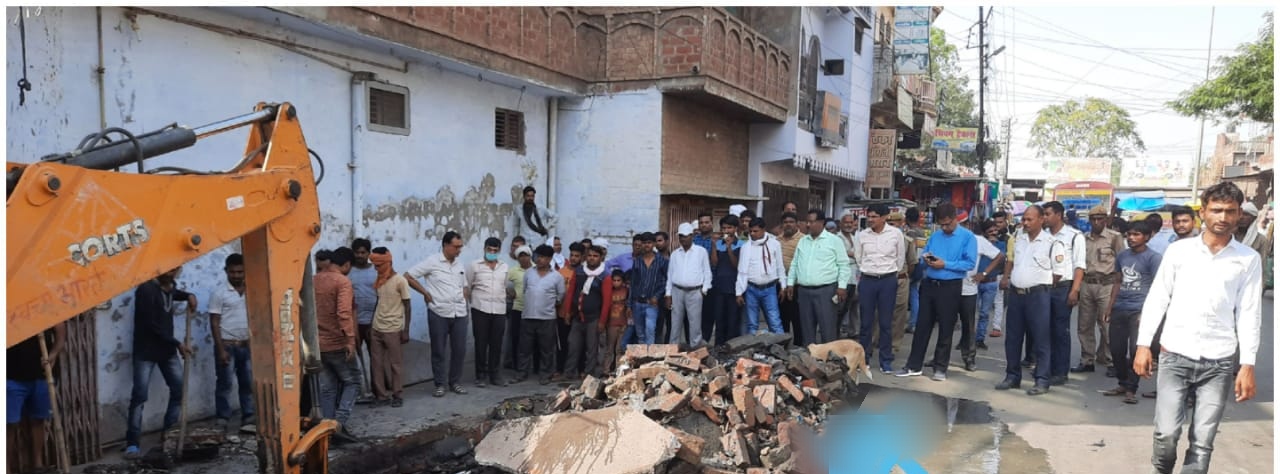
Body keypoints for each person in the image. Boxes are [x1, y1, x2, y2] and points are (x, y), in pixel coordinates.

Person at [1134, 182, 1261, 473]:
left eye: (1230, 211)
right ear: (1203, 212)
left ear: (1239, 214)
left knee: (1203, 442)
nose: (1223, 217)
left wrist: (1247, 364)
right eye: (1216, 210)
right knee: (1166, 434)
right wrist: (1143, 345)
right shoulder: (1179, 252)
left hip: (1219, 360)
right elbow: (1158, 298)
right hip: (1175, 354)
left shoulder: (1247, 259)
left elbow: (1249, 313)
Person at [898, 204, 976, 382]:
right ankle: (913, 365)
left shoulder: (967, 237)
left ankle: (940, 367)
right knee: (922, 326)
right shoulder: (935, 235)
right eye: (942, 225)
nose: (945, 228)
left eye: (948, 224)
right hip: (930, 283)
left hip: (950, 286)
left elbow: (970, 263)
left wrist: (945, 264)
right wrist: (926, 259)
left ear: (955, 219)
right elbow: (925, 252)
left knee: (946, 328)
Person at [125, 266, 196, 458]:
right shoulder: (146, 289)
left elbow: (175, 294)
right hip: (145, 352)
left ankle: (169, 434)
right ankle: (132, 443)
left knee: (179, 390)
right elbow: (151, 325)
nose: (169, 273)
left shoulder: (170, 287)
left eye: (174, 270)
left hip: (166, 351)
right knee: (139, 397)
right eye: (167, 270)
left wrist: (189, 295)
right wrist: (177, 343)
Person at [995, 206, 1064, 396]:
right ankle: (1012, 376)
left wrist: (1039, 285)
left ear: (1041, 220)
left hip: (1038, 295)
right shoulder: (1019, 239)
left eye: (1029, 219)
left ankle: (1042, 380)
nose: (1025, 223)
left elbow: (1058, 273)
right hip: (1016, 295)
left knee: (1041, 339)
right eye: (1024, 219)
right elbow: (1012, 262)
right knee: (1013, 338)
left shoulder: (1052, 243)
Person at [1099, 220, 1160, 405]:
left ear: (1147, 237)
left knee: (1135, 350)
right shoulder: (1122, 256)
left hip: (1139, 310)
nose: (1131, 238)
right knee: (1116, 350)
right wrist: (1110, 307)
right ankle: (1122, 383)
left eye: (1136, 234)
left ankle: (1131, 389)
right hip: (1120, 307)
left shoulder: (1153, 258)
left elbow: (1158, 287)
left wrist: (1147, 312)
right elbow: (1118, 281)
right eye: (1129, 235)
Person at [405, 232, 470, 397]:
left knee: (459, 350)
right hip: (439, 312)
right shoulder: (432, 262)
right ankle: (440, 384)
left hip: (459, 313)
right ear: (445, 245)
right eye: (456, 247)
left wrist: (465, 300)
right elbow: (408, 276)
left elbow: (464, 285)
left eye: (460, 247)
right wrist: (425, 293)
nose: (459, 250)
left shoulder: (459, 264)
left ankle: (455, 382)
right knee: (439, 350)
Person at [785, 209, 852, 346]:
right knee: (807, 329)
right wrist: (790, 283)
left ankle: (829, 358)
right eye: (807, 222)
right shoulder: (803, 241)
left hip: (826, 291)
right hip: (804, 291)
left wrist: (842, 287)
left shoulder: (834, 241)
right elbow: (795, 263)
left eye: (812, 222)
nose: (808, 225)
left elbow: (844, 265)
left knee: (827, 329)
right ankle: (810, 357)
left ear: (821, 222)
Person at [313, 248, 360, 441]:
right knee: (353, 382)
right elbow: (344, 313)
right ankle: (338, 425)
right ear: (347, 264)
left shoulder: (313, 280)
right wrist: (350, 340)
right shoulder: (342, 282)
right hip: (337, 343)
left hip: (317, 344)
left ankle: (326, 431)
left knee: (328, 387)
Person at [853, 204, 905, 374]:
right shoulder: (862, 235)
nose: (870, 220)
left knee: (885, 323)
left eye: (874, 216)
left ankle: (886, 360)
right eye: (869, 216)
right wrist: (868, 271)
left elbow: (900, 258)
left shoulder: (895, 234)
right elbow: (859, 257)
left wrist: (890, 273)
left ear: (884, 217)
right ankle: (864, 359)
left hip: (887, 280)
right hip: (868, 280)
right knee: (866, 323)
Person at [8, 323, 66, 470]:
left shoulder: (44, 309)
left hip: (41, 374)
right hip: (10, 375)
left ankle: (38, 464)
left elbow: (60, 335)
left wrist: (53, 354)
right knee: (9, 424)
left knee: (38, 420)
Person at [208, 254, 256, 434]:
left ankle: (248, 416)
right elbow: (214, 322)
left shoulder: (252, 290)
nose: (236, 275)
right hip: (227, 346)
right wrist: (220, 349)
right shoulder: (219, 293)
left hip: (247, 345)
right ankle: (222, 418)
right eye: (232, 272)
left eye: (240, 272)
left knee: (247, 382)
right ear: (226, 271)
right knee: (225, 383)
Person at [1077, 205, 1126, 377]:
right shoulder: (1083, 238)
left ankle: (1111, 360)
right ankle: (1087, 359)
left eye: (1100, 219)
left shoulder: (1114, 238)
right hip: (1087, 283)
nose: (1096, 222)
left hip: (1107, 284)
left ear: (1105, 220)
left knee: (1106, 324)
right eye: (1093, 219)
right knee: (1084, 324)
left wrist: (1119, 286)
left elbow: (1122, 262)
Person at [1044, 201, 1086, 386]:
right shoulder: (1043, 235)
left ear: (1059, 215)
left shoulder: (1074, 236)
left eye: (1047, 214)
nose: (1044, 218)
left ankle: (1060, 371)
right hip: (1044, 286)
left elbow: (1079, 265)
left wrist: (1074, 290)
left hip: (1063, 287)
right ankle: (1046, 367)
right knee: (1044, 329)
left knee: (1060, 330)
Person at [516, 245, 566, 385]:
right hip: (528, 316)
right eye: (538, 256)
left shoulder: (557, 277)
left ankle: (545, 374)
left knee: (547, 349)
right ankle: (522, 373)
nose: (539, 259)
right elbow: (525, 290)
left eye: (543, 257)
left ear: (549, 259)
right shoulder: (529, 273)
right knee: (524, 348)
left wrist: (548, 304)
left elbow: (561, 295)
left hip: (547, 318)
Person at [369, 247, 411, 405]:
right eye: (375, 265)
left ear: (389, 263)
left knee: (395, 364)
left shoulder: (400, 281)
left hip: (393, 328)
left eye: (379, 265)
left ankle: (397, 395)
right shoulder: (379, 280)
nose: (376, 268)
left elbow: (407, 306)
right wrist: (372, 324)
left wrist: (405, 330)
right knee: (376, 364)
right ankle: (381, 396)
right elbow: (379, 302)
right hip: (377, 327)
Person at [960, 219, 1003, 372]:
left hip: (969, 288)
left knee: (970, 323)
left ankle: (969, 357)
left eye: (963, 224)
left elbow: (999, 256)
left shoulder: (977, 240)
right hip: (950, 287)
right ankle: (939, 357)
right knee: (947, 323)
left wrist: (984, 273)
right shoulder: (947, 238)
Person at [561, 244, 610, 379]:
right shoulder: (579, 272)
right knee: (573, 345)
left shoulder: (604, 276)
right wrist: (567, 311)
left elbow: (607, 301)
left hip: (594, 318)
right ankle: (569, 372)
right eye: (589, 255)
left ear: (601, 258)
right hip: (577, 317)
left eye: (595, 256)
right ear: (585, 257)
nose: (592, 258)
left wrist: (602, 321)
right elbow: (571, 292)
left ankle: (588, 374)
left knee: (591, 348)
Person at [468, 238, 509, 388]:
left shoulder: (504, 267)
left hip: (499, 310)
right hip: (480, 309)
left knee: (496, 343)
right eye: (489, 250)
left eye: (495, 250)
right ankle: (480, 375)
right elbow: (468, 286)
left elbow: (504, 286)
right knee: (481, 343)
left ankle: (495, 375)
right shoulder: (474, 266)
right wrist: (473, 303)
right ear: (484, 249)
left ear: (499, 250)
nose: (492, 252)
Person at [736, 219, 786, 335]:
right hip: (751, 289)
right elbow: (742, 271)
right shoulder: (746, 247)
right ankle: (753, 345)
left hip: (769, 288)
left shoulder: (774, 244)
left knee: (774, 321)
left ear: (763, 230)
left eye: (755, 231)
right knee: (752, 324)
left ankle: (780, 344)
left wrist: (783, 286)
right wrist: (739, 292)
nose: (752, 234)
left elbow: (780, 266)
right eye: (750, 231)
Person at [667, 223, 712, 346]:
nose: (683, 239)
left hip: (695, 291)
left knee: (695, 322)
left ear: (692, 236)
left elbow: (707, 272)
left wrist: (704, 290)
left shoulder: (701, 252)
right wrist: (668, 294)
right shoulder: (675, 254)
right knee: (675, 322)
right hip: (677, 291)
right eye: (681, 236)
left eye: (686, 236)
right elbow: (670, 275)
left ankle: (695, 348)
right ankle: (673, 348)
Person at [883, 212, 918, 357]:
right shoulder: (880, 239)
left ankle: (894, 344)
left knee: (899, 313)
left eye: (894, 224)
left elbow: (912, 263)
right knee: (880, 311)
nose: (891, 226)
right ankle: (875, 340)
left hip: (900, 279)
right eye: (889, 223)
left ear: (901, 223)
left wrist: (903, 276)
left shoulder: (907, 240)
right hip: (883, 278)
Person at [347, 238, 377, 404]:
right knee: (354, 359)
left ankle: (376, 390)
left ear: (368, 253)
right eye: (357, 252)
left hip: (373, 321)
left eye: (363, 252)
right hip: (354, 322)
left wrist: (376, 320)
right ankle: (357, 392)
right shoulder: (348, 271)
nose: (359, 255)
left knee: (375, 358)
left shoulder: (375, 270)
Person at [707, 215, 744, 344]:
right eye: (724, 228)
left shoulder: (741, 245)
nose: (726, 231)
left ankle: (731, 347)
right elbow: (714, 263)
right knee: (719, 319)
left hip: (734, 288)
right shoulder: (718, 244)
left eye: (729, 228)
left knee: (732, 320)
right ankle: (718, 347)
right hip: (719, 287)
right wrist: (713, 246)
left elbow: (737, 265)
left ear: (735, 228)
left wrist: (729, 248)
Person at [974, 220, 1007, 352]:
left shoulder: (1001, 245)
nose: (994, 233)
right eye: (990, 231)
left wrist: (993, 246)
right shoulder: (979, 243)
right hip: (976, 281)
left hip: (991, 282)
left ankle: (980, 339)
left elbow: (1001, 260)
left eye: (995, 230)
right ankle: (966, 339)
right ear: (984, 233)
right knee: (970, 312)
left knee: (984, 313)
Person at [630, 233, 668, 344]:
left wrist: (657, 296)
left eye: (649, 242)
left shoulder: (662, 261)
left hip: (652, 303)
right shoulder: (637, 261)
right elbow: (633, 283)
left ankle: (649, 354)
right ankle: (643, 354)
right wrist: (629, 304)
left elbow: (666, 281)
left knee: (650, 331)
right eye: (644, 243)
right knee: (640, 334)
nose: (647, 245)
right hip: (637, 303)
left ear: (654, 244)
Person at [775, 212, 805, 339]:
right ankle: (784, 343)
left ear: (797, 224)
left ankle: (799, 344)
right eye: (785, 222)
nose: (788, 225)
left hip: (797, 284)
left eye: (791, 222)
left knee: (798, 317)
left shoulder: (804, 240)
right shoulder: (777, 240)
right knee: (782, 316)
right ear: (782, 225)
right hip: (780, 284)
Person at [505, 245, 535, 372]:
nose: (523, 258)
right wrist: (509, 291)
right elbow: (503, 282)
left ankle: (534, 366)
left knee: (533, 339)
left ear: (530, 256)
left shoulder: (536, 269)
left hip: (533, 310)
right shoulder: (513, 271)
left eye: (525, 255)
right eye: (520, 256)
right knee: (516, 338)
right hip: (517, 309)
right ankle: (517, 365)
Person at [599, 270, 632, 374]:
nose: (616, 283)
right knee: (610, 348)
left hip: (623, 323)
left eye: (619, 280)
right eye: (614, 280)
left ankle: (619, 370)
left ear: (622, 281)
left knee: (619, 349)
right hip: (611, 324)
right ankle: (606, 370)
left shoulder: (627, 291)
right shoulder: (609, 291)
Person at [836, 213, 861, 339]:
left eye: (851, 223)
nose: (849, 225)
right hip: (842, 275)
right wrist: (853, 255)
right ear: (841, 224)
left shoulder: (855, 237)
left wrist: (854, 255)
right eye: (846, 222)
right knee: (840, 307)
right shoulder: (837, 238)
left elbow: (858, 254)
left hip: (855, 274)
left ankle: (853, 331)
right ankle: (835, 333)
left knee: (854, 304)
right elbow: (841, 254)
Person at [904, 208, 928, 334]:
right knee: (915, 294)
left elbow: (910, 253)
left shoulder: (909, 233)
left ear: (906, 219)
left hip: (912, 266)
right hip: (921, 265)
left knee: (908, 295)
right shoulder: (921, 232)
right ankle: (914, 323)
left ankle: (911, 323)